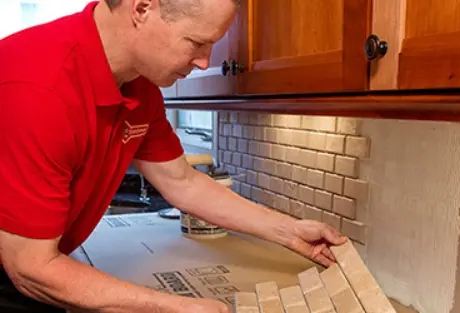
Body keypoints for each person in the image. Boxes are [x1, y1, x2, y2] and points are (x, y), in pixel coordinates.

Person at [0, 0, 348, 312]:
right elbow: (31, 268)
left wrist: (289, 232)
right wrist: (172, 307)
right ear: (142, 9)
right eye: (197, 43)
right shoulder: (40, 90)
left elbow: (181, 181)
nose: (204, 62)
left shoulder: (140, 87)